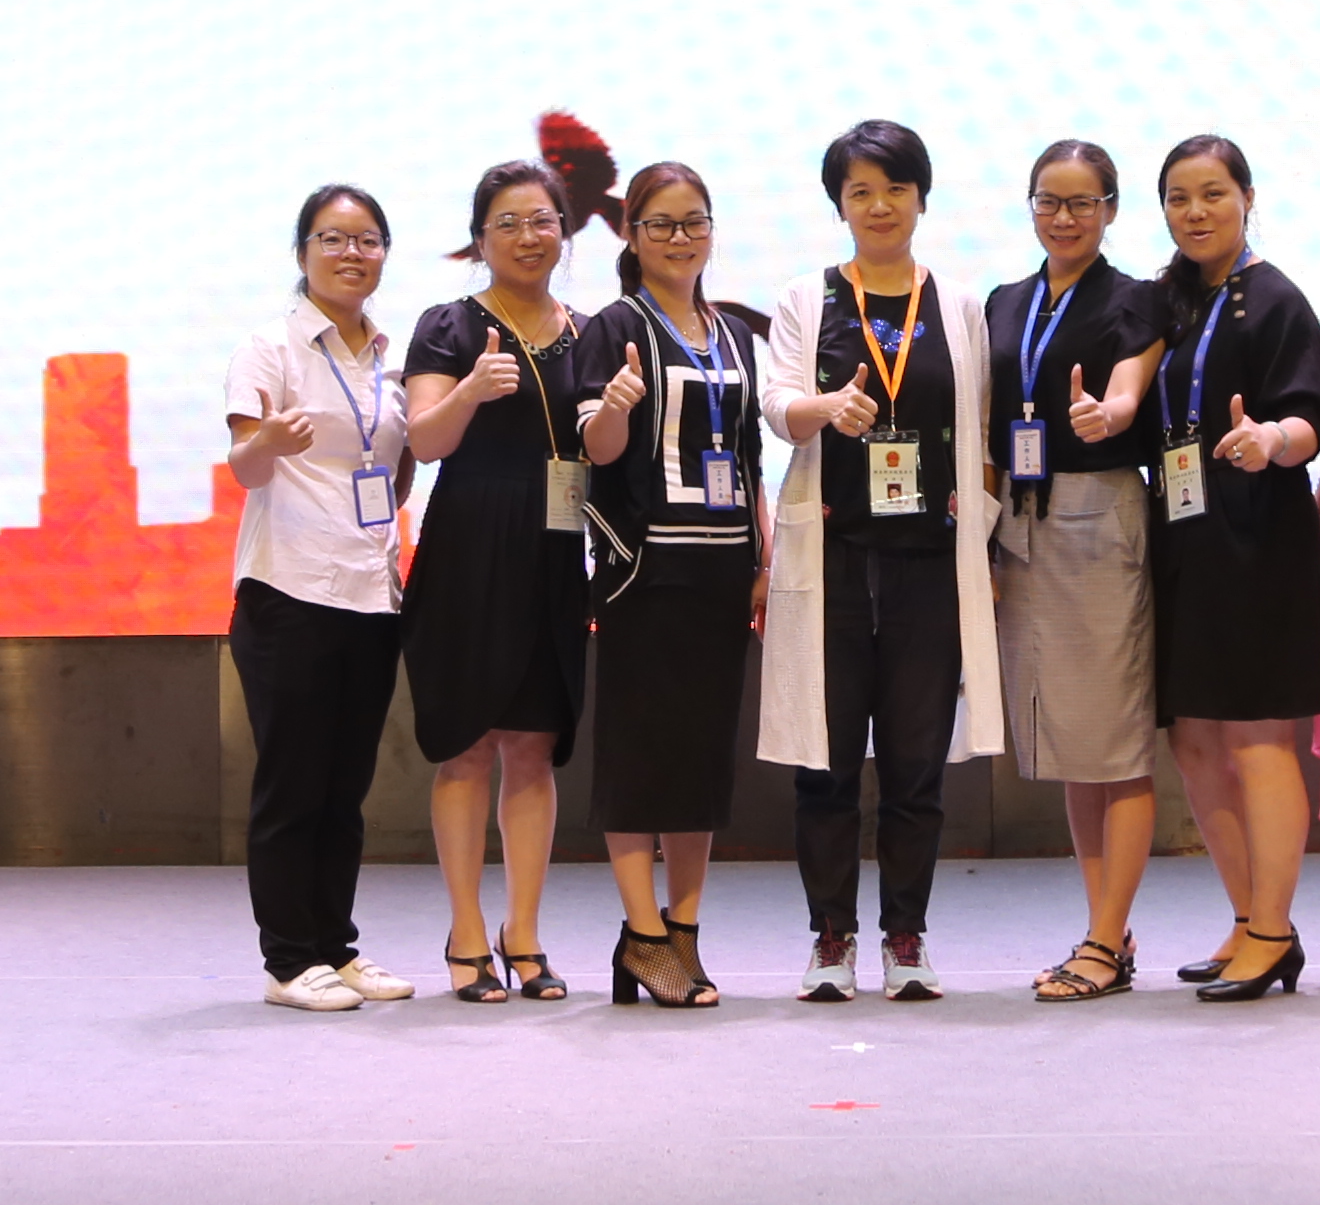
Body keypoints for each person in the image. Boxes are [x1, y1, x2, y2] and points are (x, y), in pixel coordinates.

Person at [758, 118, 1005, 1001]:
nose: (879, 205)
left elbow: (980, 430)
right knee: (823, 764)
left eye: (895, 188)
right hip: (833, 560)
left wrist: (982, 541)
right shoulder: (807, 297)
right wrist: (826, 408)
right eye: (859, 191)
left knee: (914, 765)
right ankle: (831, 938)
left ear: (921, 198)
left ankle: (906, 934)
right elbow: (778, 405)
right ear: (839, 206)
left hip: (928, 567)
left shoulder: (959, 305)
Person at [565, 160, 761, 1008]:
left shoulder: (735, 334)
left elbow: (748, 455)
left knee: (702, 757)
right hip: (646, 572)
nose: (680, 238)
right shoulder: (615, 326)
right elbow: (597, 449)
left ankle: (683, 932)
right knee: (640, 754)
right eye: (661, 224)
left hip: (723, 568)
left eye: (694, 222)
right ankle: (642, 934)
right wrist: (613, 405)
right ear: (632, 235)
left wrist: (762, 558)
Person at [222, 185, 421, 1014]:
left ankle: (337, 948)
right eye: (333, 239)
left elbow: (393, 474)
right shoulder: (270, 347)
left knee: (345, 790)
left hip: (371, 592)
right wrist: (266, 441)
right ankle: (288, 960)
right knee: (293, 786)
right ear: (302, 252)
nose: (351, 254)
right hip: (290, 590)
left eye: (367, 240)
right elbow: (245, 465)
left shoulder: (387, 357)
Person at [1141, 133, 1320, 1004]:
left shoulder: (1276, 298)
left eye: (1213, 193)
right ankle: (1250, 916)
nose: (1195, 212)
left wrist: (1272, 440)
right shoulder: (1170, 300)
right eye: (1178, 198)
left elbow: (1311, 416)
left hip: (1259, 539)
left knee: (1258, 737)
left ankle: (1273, 930)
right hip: (1183, 538)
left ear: (1247, 198)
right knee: (1193, 739)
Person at [396, 158, 586, 1001]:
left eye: (541, 220)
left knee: (534, 748)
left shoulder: (590, 332)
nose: (526, 236)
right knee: (469, 746)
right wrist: (472, 388)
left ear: (564, 232)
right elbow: (426, 440)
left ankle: (526, 934)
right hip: (470, 548)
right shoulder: (449, 325)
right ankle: (467, 932)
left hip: (553, 549)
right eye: (507, 222)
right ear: (479, 239)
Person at [986, 137, 1166, 1000]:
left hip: (1099, 518)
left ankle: (1102, 940)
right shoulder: (1005, 302)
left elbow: (1129, 386)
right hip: (1022, 524)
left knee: (1115, 742)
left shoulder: (1136, 299)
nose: (1064, 218)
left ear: (1111, 210)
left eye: (1083, 203)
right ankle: (1106, 934)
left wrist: (1112, 411)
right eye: (1049, 202)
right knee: (1070, 742)